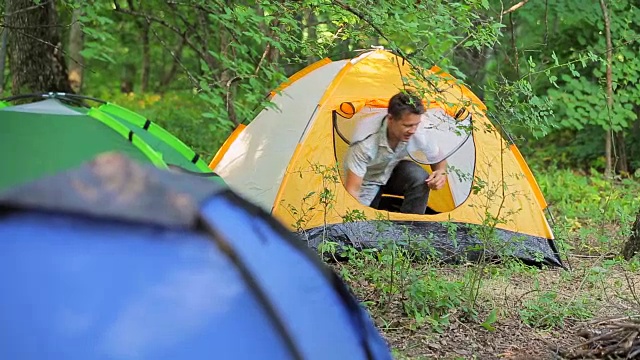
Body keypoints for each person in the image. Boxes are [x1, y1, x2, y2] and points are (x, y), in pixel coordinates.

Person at [343, 91, 448, 214]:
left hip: (393, 170)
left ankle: (411, 227)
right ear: (390, 119)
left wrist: (441, 172)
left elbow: (438, 157)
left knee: (419, 178)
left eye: (416, 124)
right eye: (407, 125)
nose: (413, 130)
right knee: (362, 218)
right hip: (367, 180)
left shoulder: (419, 129)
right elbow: (353, 191)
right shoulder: (365, 143)